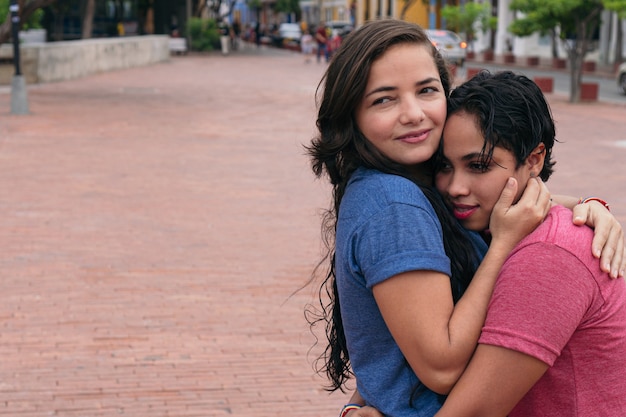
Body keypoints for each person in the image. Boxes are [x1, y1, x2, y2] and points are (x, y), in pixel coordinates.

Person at [304, 19, 625, 417]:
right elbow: (441, 367)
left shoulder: (411, 182)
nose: (413, 114)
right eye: (384, 99)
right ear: (352, 114)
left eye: (426, 90)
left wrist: (586, 203)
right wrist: (504, 244)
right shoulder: (394, 203)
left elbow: (497, 195)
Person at [429, 71, 626, 416]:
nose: (455, 187)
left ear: (534, 159)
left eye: (478, 165)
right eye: (445, 166)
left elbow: (474, 411)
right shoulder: (489, 229)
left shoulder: (549, 256)